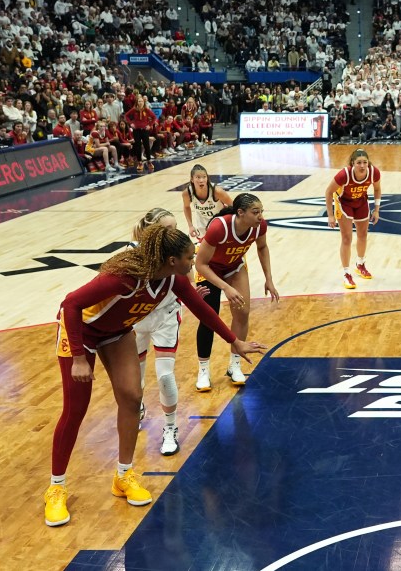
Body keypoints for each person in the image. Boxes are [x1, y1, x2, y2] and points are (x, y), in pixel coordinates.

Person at [44, 224, 265, 527]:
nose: (194, 262)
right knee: (76, 410)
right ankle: (56, 488)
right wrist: (79, 359)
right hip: (80, 332)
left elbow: (201, 309)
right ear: (172, 259)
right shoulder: (124, 277)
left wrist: (234, 341)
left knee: (132, 399)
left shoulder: (172, 279)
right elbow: (70, 303)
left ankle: (123, 476)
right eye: (189, 257)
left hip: (116, 333)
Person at [129, 208, 206, 456]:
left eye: (176, 228)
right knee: (135, 378)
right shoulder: (133, 252)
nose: (176, 233)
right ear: (155, 231)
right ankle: (137, 405)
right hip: (137, 316)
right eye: (169, 229)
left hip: (166, 317)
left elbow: (190, 280)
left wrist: (195, 293)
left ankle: (170, 427)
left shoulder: (180, 251)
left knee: (165, 376)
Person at [194, 193, 280, 392]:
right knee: (209, 317)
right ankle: (203, 370)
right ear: (240, 213)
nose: (260, 216)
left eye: (261, 212)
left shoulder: (259, 226)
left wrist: (269, 278)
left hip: (234, 266)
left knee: (242, 312)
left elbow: (263, 247)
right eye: (255, 212)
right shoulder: (219, 227)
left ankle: (234, 365)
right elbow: (200, 264)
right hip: (209, 268)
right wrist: (225, 287)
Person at [325, 149, 382, 290]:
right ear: (352, 163)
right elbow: (328, 191)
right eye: (359, 163)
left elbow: (377, 189)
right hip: (344, 203)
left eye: (365, 162)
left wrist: (377, 209)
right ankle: (346, 273)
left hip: (361, 202)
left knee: (363, 235)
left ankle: (360, 264)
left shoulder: (374, 172)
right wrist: (330, 214)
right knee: (346, 239)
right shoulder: (344, 174)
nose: (362, 166)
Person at [181, 164, 233, 240]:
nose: (201, 180)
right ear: (192, 179)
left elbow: (233, 205)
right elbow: (186, 207)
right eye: (198, 177)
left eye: (204, 177)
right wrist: (190, 226)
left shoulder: (217, 191)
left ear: (207, 178)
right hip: (202, 226)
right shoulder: (187, 193)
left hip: (220, 223)